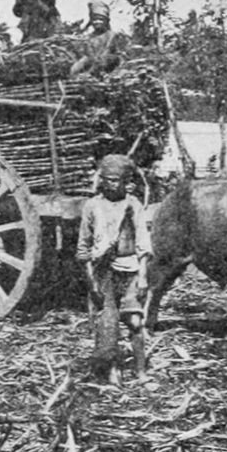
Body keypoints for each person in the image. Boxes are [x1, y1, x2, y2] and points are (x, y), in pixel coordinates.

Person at [76, 153, 152, 385]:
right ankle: (112, 371)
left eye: (116, 180)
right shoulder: (93, 206)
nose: (111, 184)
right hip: (104, 271)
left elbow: (142, 240)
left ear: (125, 181)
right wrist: (91, 281)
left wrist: (142, 276)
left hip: (130, 270)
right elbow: (84, 246)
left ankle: (141, 372)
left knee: (135, 322)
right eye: (107, 179)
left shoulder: (133, 205)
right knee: (108, 324)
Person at [70, 0, 125, 77]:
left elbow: (107, 53)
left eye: (100, 19)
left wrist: (90, 72)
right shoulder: (89, 37)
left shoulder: (111, 35)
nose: (97, 22)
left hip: (107, 66)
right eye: (94, 19)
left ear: (106, 21)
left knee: (106, 59)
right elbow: (87, 56)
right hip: (92, 65)